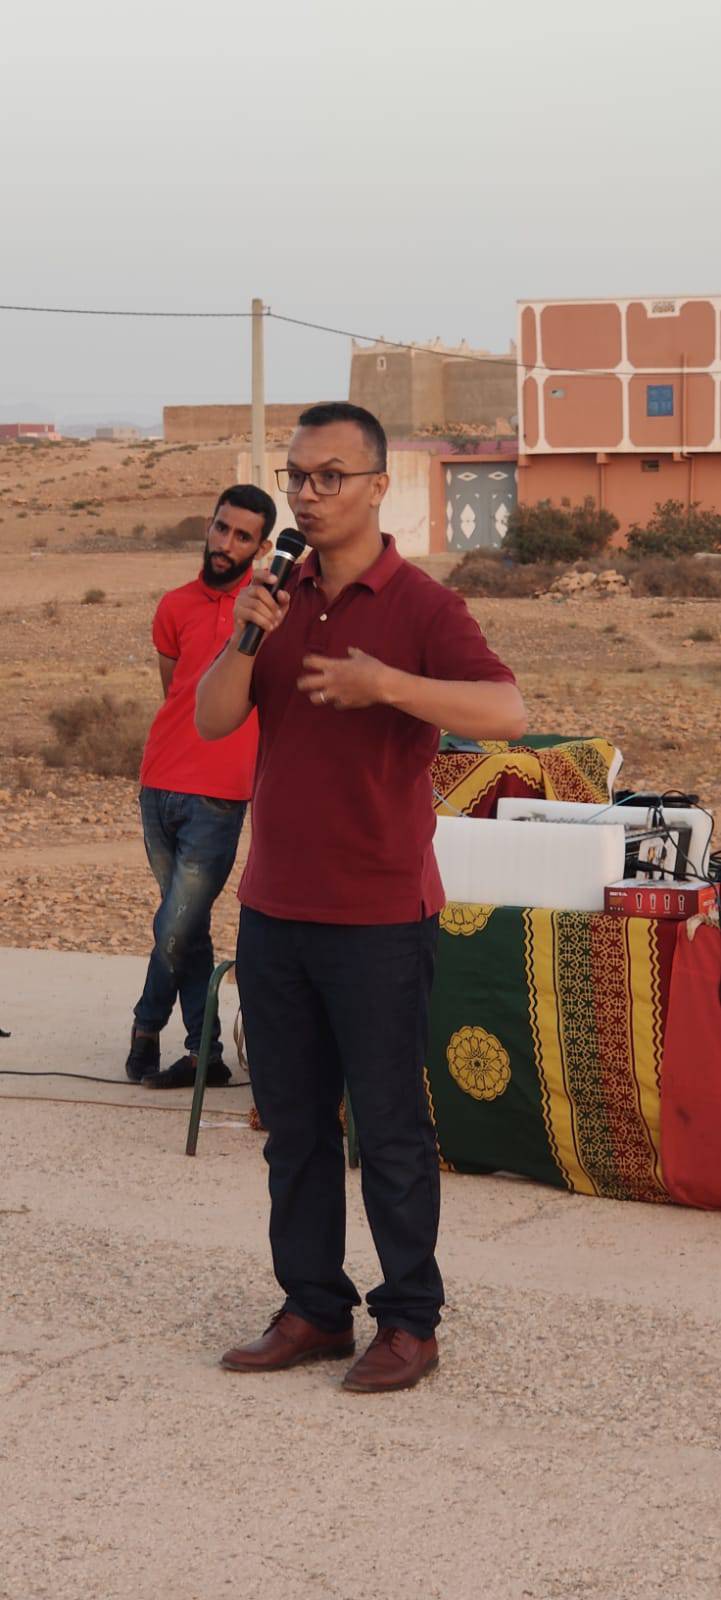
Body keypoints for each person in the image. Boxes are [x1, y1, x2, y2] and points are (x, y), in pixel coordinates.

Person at [196, 403, 526, 1392]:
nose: (307, 494)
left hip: (379, 914)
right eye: (297, 476)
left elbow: (505, 710)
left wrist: (388, 685)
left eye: (329, 476)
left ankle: (410, 1322)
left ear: (379, 486)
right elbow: (212, 719)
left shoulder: (422, 605)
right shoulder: (275, 593)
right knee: (294, 1128)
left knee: (387, 1129)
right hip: (275, 907)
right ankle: (312, 1307)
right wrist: (245, 639)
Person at [126, 483, 276, 1090]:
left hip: (220, 793)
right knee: (187, 928)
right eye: (221, 527)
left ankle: (145, 1026)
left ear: (261, 547)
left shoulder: (268, 611)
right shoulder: (174, 605)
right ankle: (204, 1053)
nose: (225, 543)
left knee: (177, 923)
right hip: (157, 784)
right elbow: (177, 691)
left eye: (242, 536)